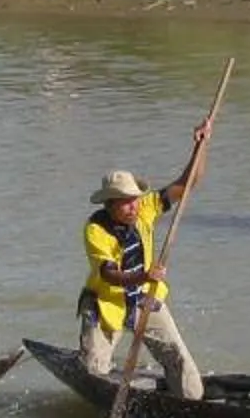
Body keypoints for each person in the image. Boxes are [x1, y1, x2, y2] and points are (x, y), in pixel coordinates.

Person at [79, 119, 215, 400]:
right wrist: (144, 275)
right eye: (126, 202)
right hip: (107, 304)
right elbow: (109, 274)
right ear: (110, 204)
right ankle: (97, 371)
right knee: (93, 375)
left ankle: (186, 404)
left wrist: (201, 146)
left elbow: (188, 183)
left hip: (144, 297)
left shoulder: (146, 208)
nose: (134, 206)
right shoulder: (95, 229)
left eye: (135, 199)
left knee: (185, 375)